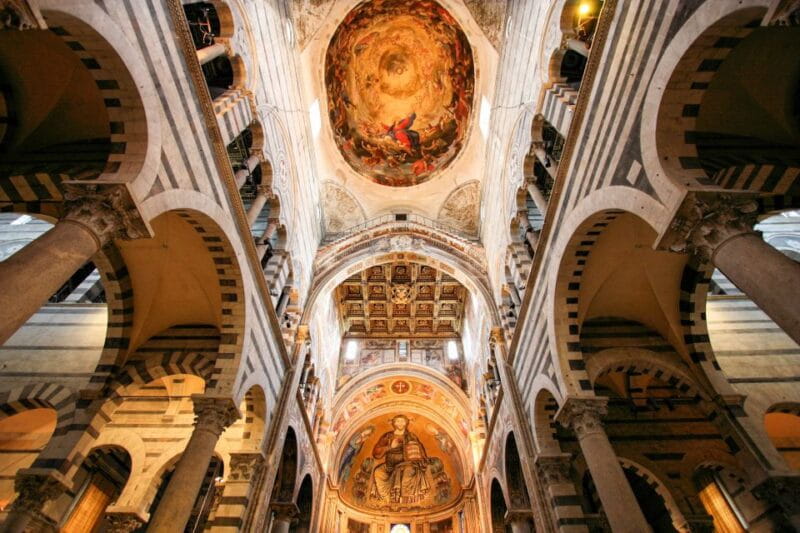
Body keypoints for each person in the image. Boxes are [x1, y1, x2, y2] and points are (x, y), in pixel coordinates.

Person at [369, 415, 430, 504]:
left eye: (402, 421)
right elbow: (376, 451)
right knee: (378, 472)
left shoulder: (411, 436)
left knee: (408, 472)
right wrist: (390, 447)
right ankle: (387, 500)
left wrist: (422, 459)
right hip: (389, 466)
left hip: (406, 464)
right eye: (398, 421)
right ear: (394, 423)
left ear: (406, 423)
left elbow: (420, 449)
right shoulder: (388, 436)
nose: (400, 423)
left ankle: (405, 501)